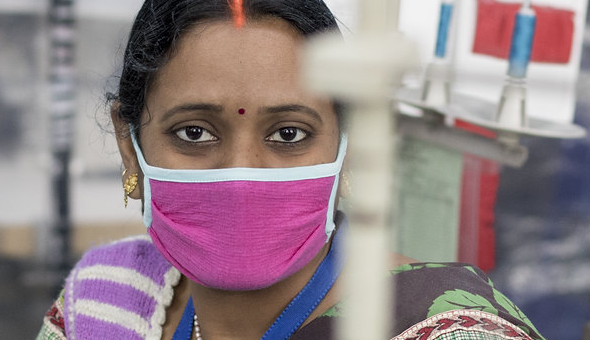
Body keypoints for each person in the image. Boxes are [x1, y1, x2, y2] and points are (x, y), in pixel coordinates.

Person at [36, 0, 544, 339]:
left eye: (288, 134)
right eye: (194, 132)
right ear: (129, 143)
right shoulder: (105, 299)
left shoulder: (446, 329)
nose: (240, 174)